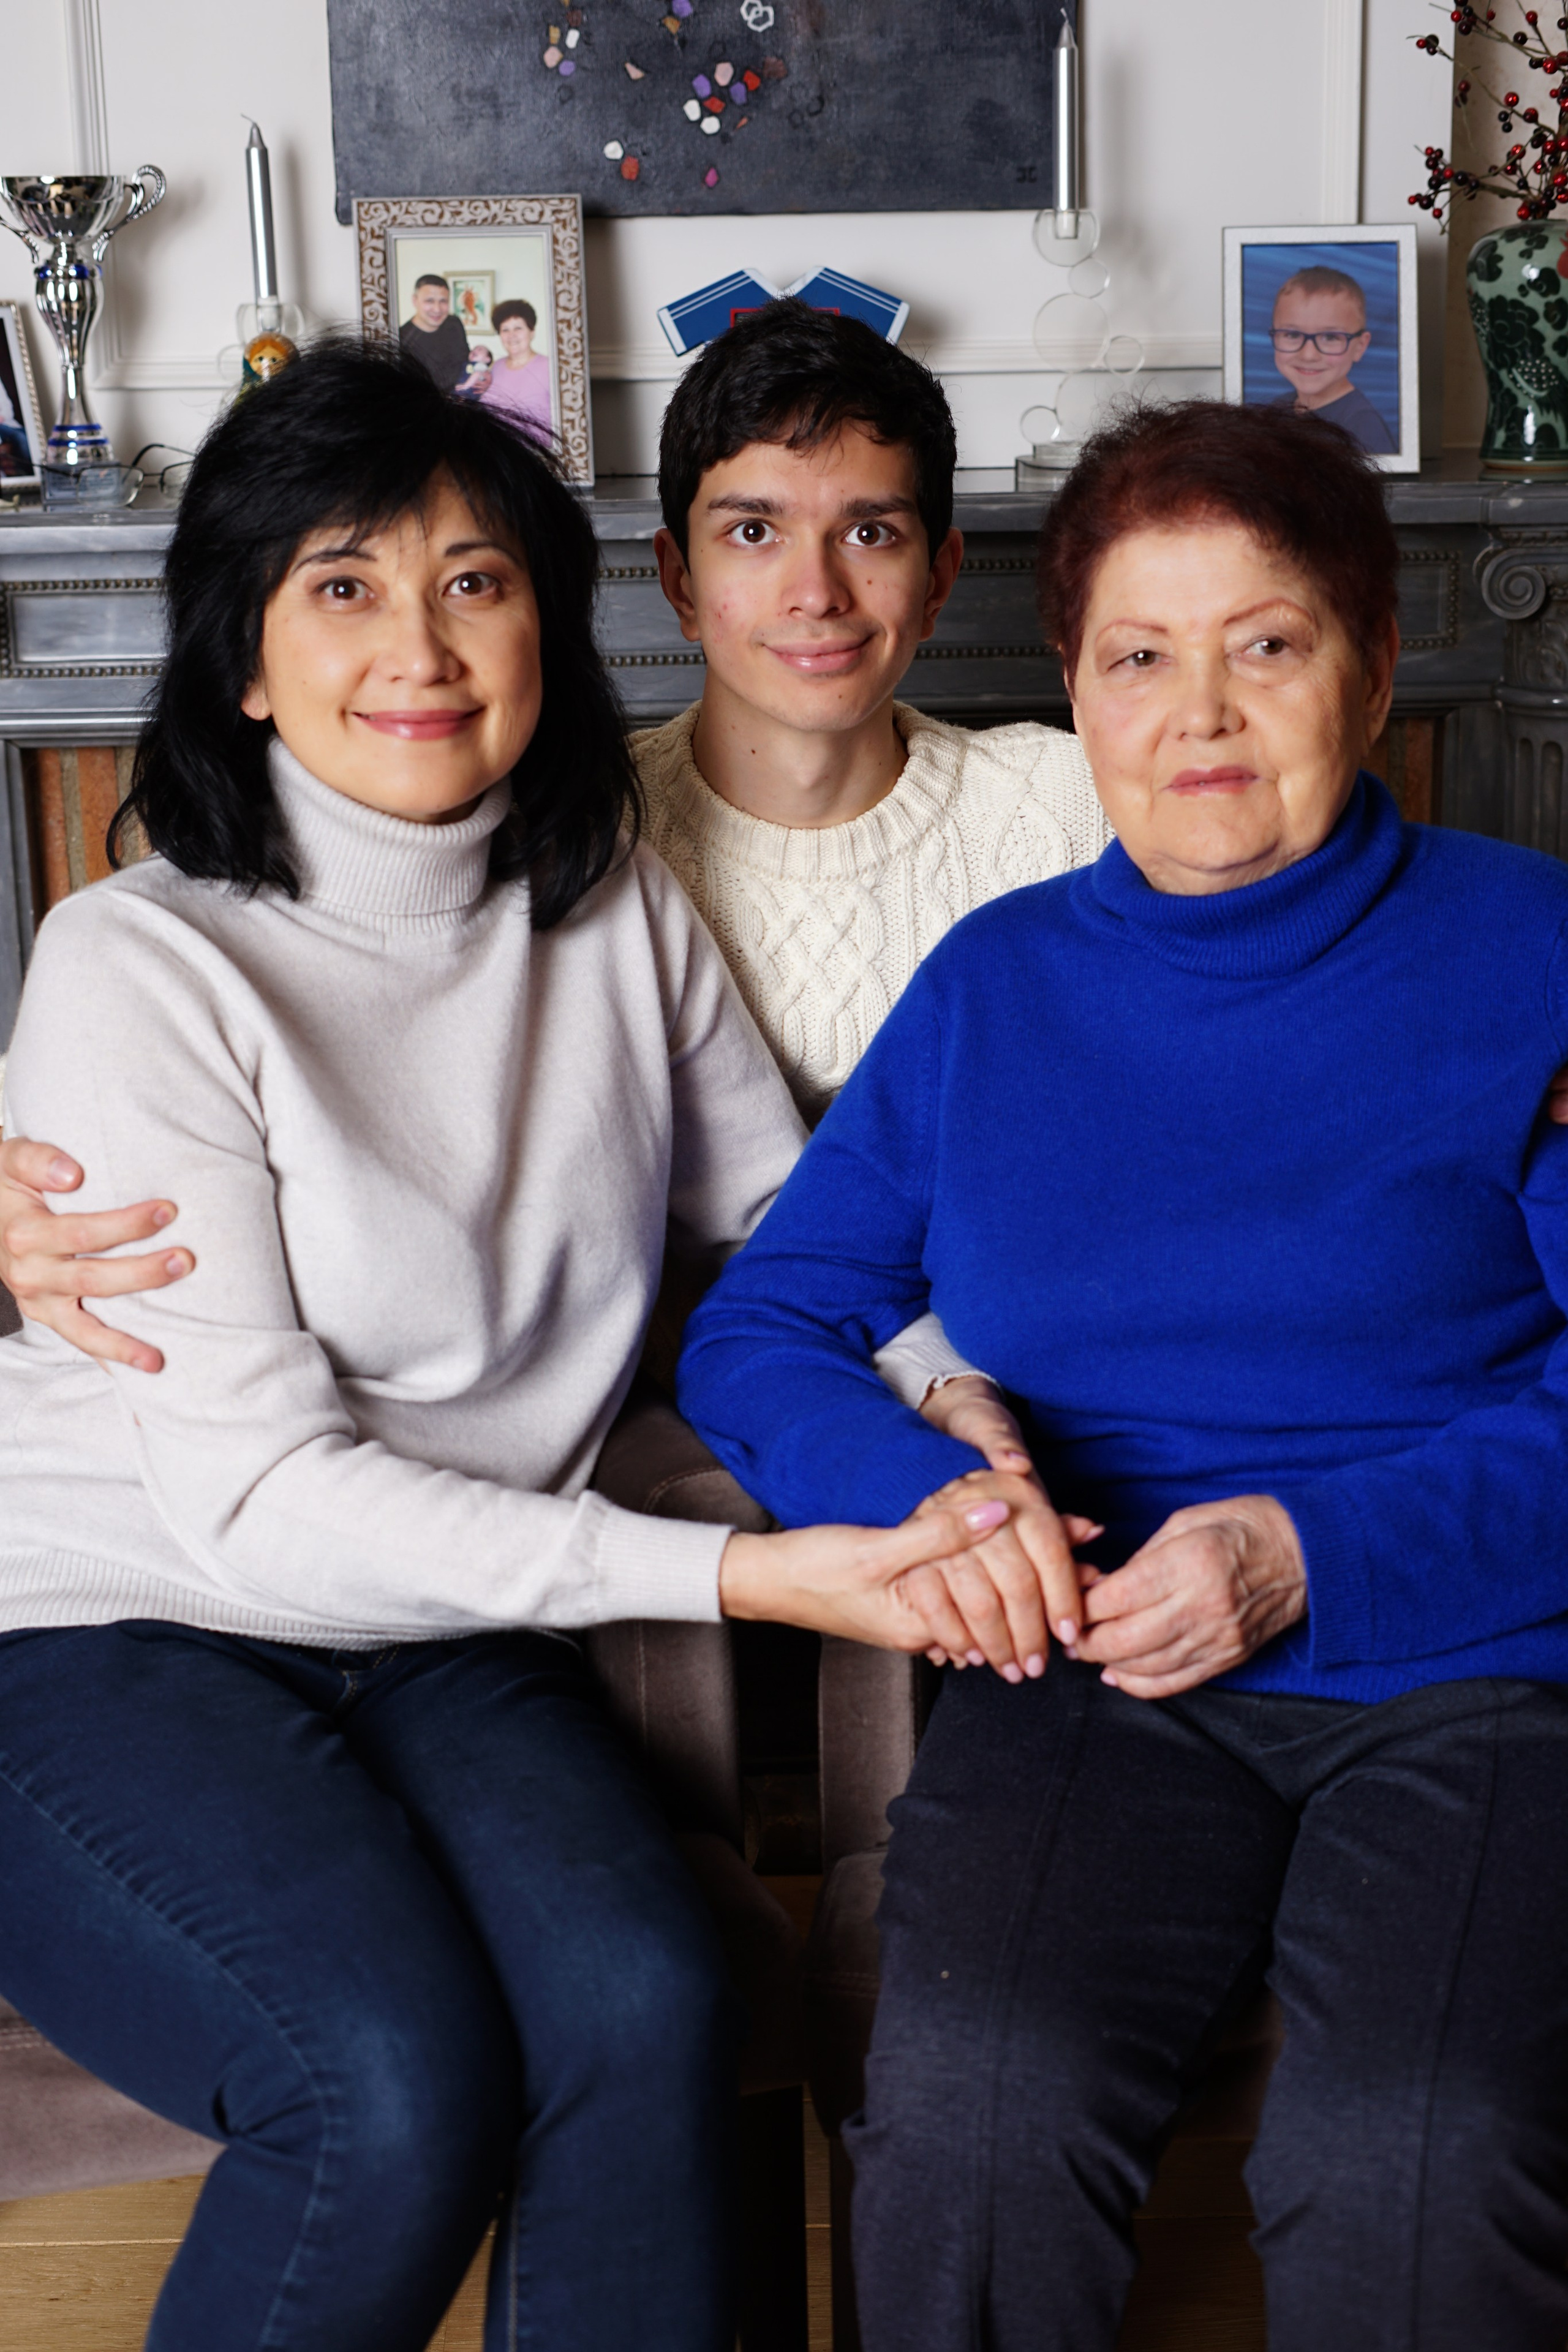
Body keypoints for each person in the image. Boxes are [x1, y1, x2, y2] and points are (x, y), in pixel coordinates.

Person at [0, 343, 1040, 2352]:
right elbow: (266, 1510)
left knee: (654, 1999)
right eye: (344, 585)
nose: (422, 642)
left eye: (473, 581)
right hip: (110, 1622)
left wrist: (952, 1394)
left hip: (444, 1628)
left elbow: (791, 1231)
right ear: (242, 656)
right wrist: (747, 1571)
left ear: (550, 631)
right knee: (381, 2080)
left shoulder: (608, 909)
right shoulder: (145, 961)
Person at [677, 398, 1568, 2351]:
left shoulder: (1534, 956)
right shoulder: (994, 988)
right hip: (1086, 1666)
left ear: (1375, 660)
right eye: (1137, 656)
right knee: (970, 2110)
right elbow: (761, 1325)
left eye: (1267, 642)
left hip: (1484, 1670)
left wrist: (1305, 1550)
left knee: (1412, 2142)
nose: (1202, 713)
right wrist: (927, 1483)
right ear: (1072, 690)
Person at [1267, 263, 1396, 455]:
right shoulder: (1277, 410)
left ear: (1360, 347)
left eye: (1330, 338)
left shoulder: (1363, 426)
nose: (1309, 355)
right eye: (1292, 335)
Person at [472, 298, 553, 447]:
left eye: (518, 328)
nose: (511, 335)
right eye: (505, 330)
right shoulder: (496, 366)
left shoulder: (549, 367)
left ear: (532, 332)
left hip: (534, 456)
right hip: (497, 452)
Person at [398, 272, 470, 393]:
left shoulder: (454, 324)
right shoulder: (402, 340)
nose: (437, 309)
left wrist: (482, 378)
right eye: (429, 301)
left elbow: (467, 362)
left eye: (443, 301)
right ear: (415, 301)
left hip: (462, 405)